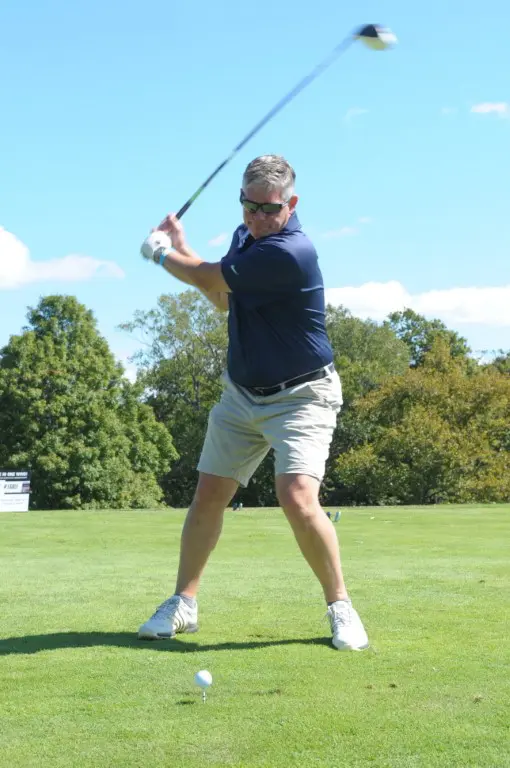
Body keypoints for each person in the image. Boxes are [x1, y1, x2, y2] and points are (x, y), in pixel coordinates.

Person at [138, 155, 369, 651]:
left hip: (302, 395)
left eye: (270, 208)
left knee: (297, 496)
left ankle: (341, 606)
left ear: (292, 203)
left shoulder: (291, 251)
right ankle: (183, 602)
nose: (258, 218)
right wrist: (183, 247)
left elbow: (209, 278)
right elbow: (224, 296)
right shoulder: (246, 238)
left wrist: (161, 255)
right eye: (250, 206)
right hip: (242, 394)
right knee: (208, 494)